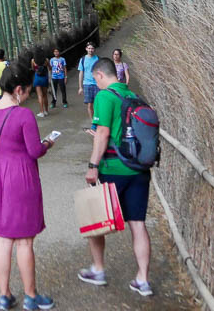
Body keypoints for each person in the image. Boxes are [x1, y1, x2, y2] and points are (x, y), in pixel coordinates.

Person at [0, 61, 56, 311]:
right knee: (24, 242)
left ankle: (4, 296)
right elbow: (34, 151)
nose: (29, 95)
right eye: (28, 91)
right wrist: (47, 144)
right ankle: (31, 297)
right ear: (19, 89)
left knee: (3, 240)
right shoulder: (23, 115)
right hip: (21, 178)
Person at [79, 58, 152, 297]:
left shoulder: (104, 96)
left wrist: (93, 166)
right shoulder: (132, 96)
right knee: (138, 224)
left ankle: (98, 270)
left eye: (95, 79)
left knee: (96, 218)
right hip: (139, 169)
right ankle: (142, 279)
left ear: (99, 75)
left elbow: (102, 133)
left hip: (113, 168)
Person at [77, 43, 100, 134]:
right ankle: (93, 122)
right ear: (86, 49)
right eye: (89, 48)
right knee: (89, 104)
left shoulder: (98, 59)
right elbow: (81, 73)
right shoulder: (83, 59)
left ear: (94, 49)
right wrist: (80, 87)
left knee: (97, 104)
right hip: (87, 84)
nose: (90, 50)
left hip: (97, 84)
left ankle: (98, 121)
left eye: (92, 48)